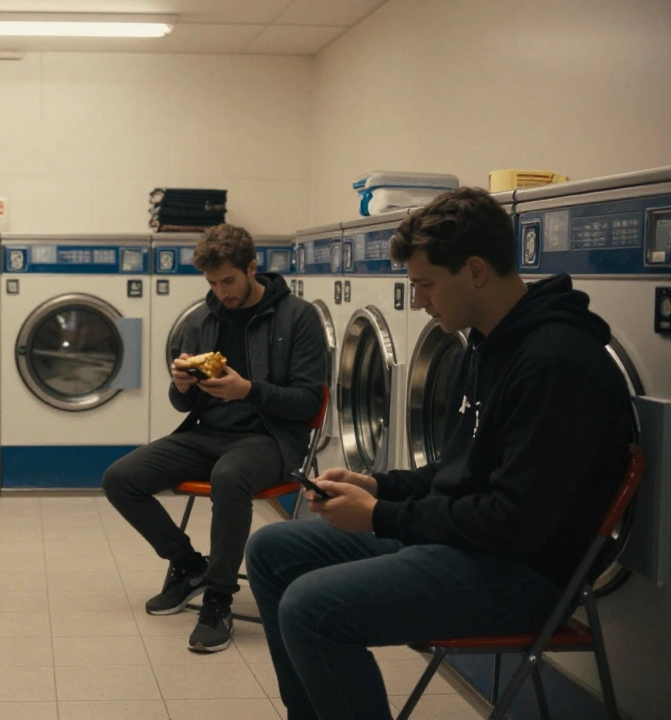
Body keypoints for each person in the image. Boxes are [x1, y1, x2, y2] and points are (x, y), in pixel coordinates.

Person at [244, 187, 634, 720]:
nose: (420, 301)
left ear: (475, 270)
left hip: (523, 575)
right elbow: (455, 470)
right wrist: (380, 487)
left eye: (425, 284)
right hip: (464, 547)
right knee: (271, 551)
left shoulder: (556, 364)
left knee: (311, 609)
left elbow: (515, 522)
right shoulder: (484, 343)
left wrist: (381, 516)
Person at [102, 223, 327, 652]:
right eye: (212, 282)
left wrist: (250, 390)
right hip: (207, 435)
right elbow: (182, 406)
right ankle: (189, 565)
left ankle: (219, 597)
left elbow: (306, 404)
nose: (221, 292)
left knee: (229, 477)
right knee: (120, 478)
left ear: (252, 267)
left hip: (270, 439)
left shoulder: (298, 317)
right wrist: (181, 386)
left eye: (229, 281)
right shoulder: (203, 320)